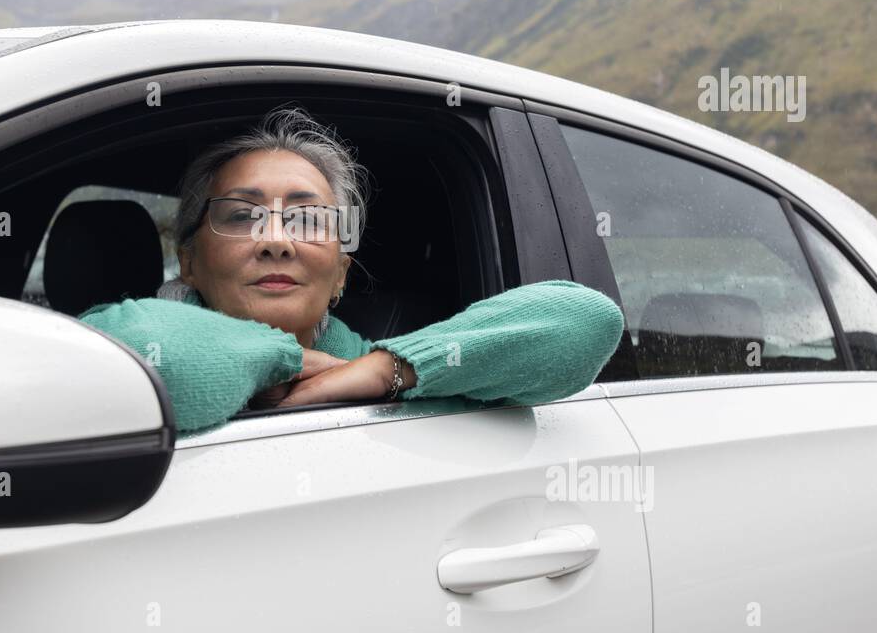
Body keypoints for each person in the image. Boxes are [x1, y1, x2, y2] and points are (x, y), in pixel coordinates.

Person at [79, 105, 625, 435]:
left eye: (309, 218)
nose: (276, 241)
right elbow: (143, 363)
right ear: (190, 260)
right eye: (243, 215)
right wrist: (285, 360)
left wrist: (382, 371)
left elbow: (587, 320)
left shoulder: (375, 364)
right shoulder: (119, 330)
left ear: (341, 272)